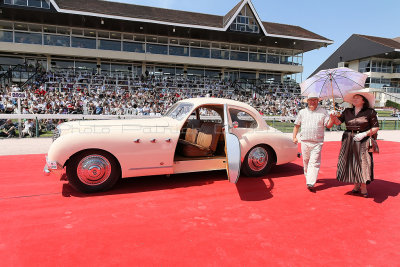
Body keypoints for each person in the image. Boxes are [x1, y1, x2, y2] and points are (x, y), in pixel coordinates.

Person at [331, 89, 379, 198]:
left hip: (363, 139)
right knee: (352, 162)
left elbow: (376, 127)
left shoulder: (370, 112)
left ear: (363, 100)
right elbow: (338, 123)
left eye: (357, 97)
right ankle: (356, 185)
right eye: (354, 98)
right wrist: (333, 117)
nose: (355, 99)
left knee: (363, 162)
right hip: (348, 138)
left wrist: (364, 134)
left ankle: (363, 186)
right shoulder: (347, 111)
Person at [293, 93, 334, 192]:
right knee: (306, 161)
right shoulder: (302, 112)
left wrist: (332, 118)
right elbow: (297, 125)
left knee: (314, 162)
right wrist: (294, 137)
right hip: (305, 141)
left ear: (318, 101)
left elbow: (328, 126)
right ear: (307, 101)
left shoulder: (323, 112)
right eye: (310, 100)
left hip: (317, 142)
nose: (312, 102)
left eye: (315, 100)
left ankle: (311, 182)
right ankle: (308, 178)